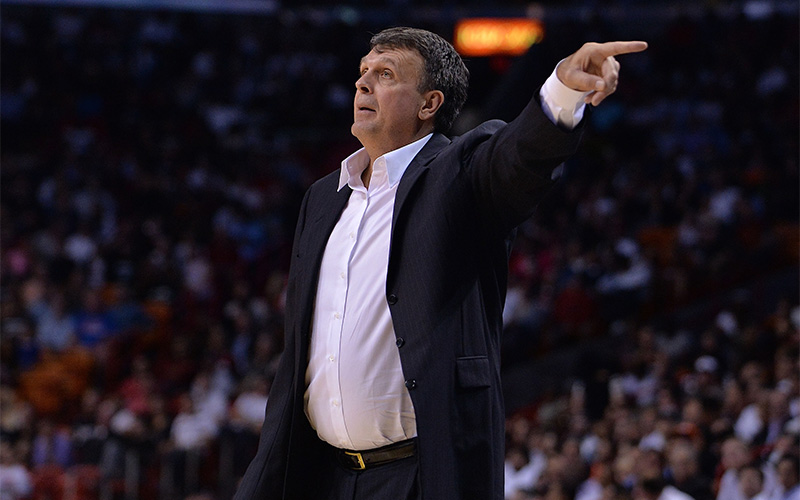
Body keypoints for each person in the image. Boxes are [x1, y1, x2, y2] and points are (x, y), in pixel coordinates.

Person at [234, 27, 647, 500]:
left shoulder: (459, 174)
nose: (362, 83)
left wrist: (564, 90)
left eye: (385, 74)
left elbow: (517, 157)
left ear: (429, 104)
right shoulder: (323, 197)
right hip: (321, 475)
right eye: (364, 72)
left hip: (419, 477)